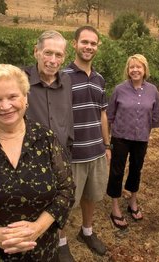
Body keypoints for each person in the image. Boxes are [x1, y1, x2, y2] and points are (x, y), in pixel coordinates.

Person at [0, 30, 77, 261]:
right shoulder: (17, 80)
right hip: (15, 156)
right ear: (36, 51)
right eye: (48, 53)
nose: (53, 60)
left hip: (55, 158)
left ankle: (60, 242)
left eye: (59, 55)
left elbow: (67, 117)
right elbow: (0, 105)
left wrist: (68, 143)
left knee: (53, 199)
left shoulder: (67, 81)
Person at [62, 25, 110, 256]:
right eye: (85, 42)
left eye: (93, 43)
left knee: (91, 196)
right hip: (73, 154)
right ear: (75, 44)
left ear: (97, 47)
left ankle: (87, 231)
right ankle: (60, 243)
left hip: (96, 151)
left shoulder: (100, 79)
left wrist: (107, 145)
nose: (89, 47)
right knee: (66, 202)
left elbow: (102, 113)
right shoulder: (62, 77)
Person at [106, 54, 159, 229]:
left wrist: (145, 132)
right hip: (120, 137)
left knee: (136, 170)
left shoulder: (153, 90)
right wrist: (107, 141)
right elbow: (109, 116)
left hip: (141, 138)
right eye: (132, 67)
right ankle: (115, 206)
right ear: (128, 70)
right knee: (117, 171)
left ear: (145, 70)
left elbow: (155, 116)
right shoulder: (119, 89)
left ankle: (132, 202)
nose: (135, 70)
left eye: (139, 67)